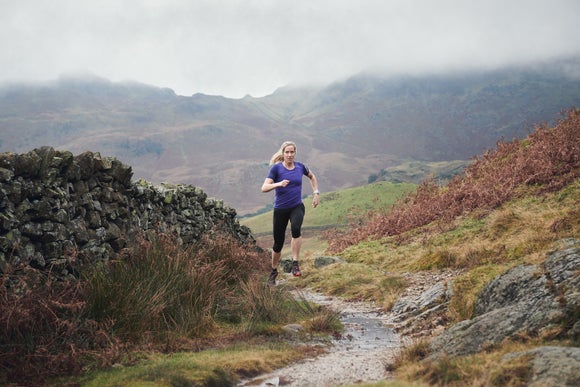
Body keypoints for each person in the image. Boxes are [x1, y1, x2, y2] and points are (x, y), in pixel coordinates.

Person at [261, 141, 320, 285]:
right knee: (278, 244)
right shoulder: (276, 169)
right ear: (283, 153)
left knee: (296, 229)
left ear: (295, 153)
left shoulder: (300, 167)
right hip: (280, 209)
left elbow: (312, 177)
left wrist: (316, 193)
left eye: (292, 152)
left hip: (296, 206)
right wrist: (278, 184)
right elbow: (264, 187)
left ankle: (295, 263)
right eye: (287, 152)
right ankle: (274, 270)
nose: (289, 155)